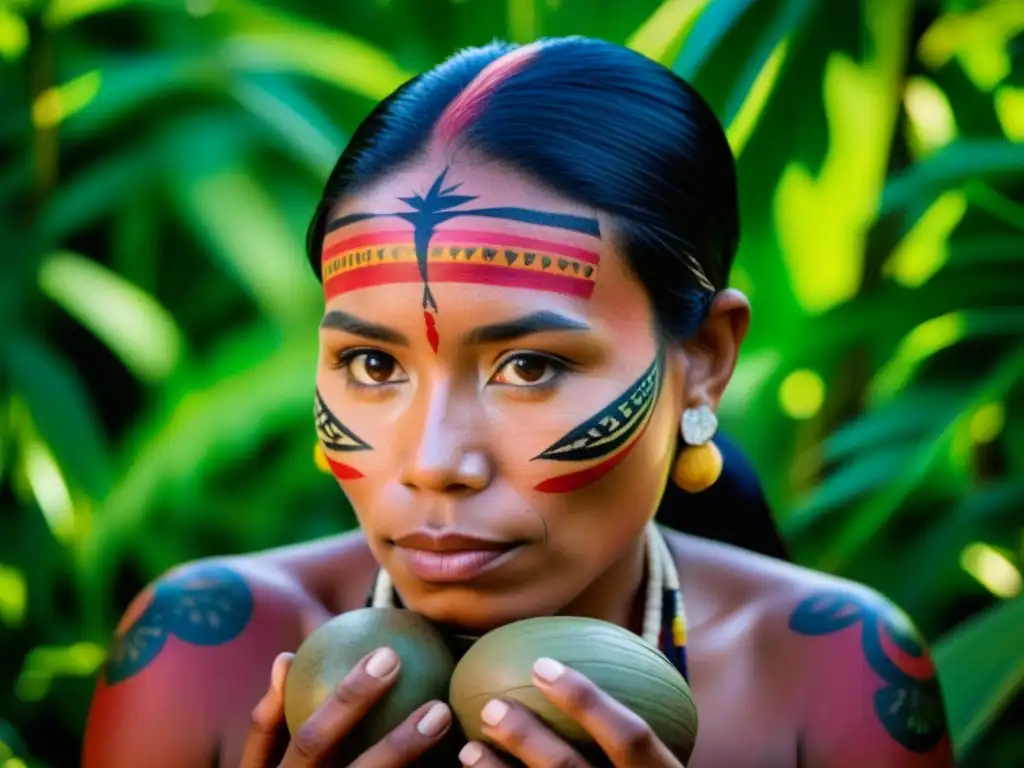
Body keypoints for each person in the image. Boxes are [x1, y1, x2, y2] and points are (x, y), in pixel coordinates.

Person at [82, 36, 954, 768]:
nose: (433, 463)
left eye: (530, 366)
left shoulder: (833, 672)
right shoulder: (204, 655)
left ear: (704, 362)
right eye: (373, 364)